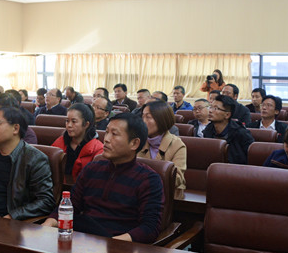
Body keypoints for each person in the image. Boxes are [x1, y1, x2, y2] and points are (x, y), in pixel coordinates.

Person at [43, 112, 163, 243]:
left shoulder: (148, 179)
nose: (106, 139)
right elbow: (70, 205)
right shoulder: (91, 169)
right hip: (82, 240)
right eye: (106, 132)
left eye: (114, 134)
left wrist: (111, 243)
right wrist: (48, 225)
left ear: (134, 143)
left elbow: (149, 228)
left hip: (117, 245)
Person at [139, 102, 187, 190]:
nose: (143, 121)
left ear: (162, 120)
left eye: (148, 117)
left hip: (166, 193)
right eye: (142, 117)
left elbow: (177, 179)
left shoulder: (177, 145)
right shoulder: (138, 141)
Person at [51, 103, 104, 182]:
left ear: (86, 124)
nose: (69, 125)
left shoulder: (98, 149)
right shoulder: (60, 142)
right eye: (67, 121)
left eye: (74, 121)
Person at [203, 95, 254, 164]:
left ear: (227, 115)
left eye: (216, 108)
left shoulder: (241, 133)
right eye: (210, 107)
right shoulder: (208, 130)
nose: (210, 111)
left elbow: (250, 159)